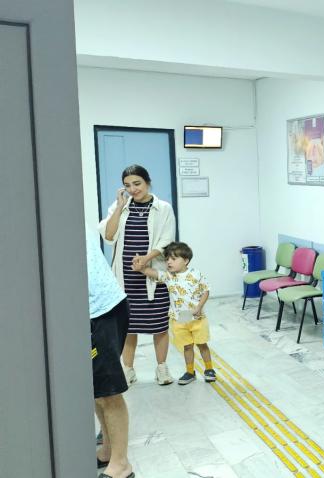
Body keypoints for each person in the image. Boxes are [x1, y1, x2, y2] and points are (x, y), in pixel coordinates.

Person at [99, 164, 176, 386]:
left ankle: (162, 368)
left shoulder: (163, 208)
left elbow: (167, 240)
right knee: (128, 326)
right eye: (127, 185)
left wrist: (146, 259)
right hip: (125, 277)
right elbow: (108, 235)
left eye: (137, 183)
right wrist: (119, 207)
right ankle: (128, 370)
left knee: (159, 325)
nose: (133, 189)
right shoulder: (119, 207)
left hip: (152, 274)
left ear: (147, 182)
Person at [86, 228, 135, 478]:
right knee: (97, 390)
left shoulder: (59, 216)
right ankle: (107, 450)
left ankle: (121, 464)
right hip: (91, 309)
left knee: (108, 392)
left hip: (102, 309)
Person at [133, 241, 216, 385]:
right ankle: (190, 372)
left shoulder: (195, 274)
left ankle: (209, 369)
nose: (169, 262)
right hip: (180, 319)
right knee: (187, 346)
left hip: (197, 318)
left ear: (186, 261)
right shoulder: (169, 276)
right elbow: (154, 273)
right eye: (167, 259)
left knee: (202, 344)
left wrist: (199, 307)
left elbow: (206, 290)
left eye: (173, 259)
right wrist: (141, 268)